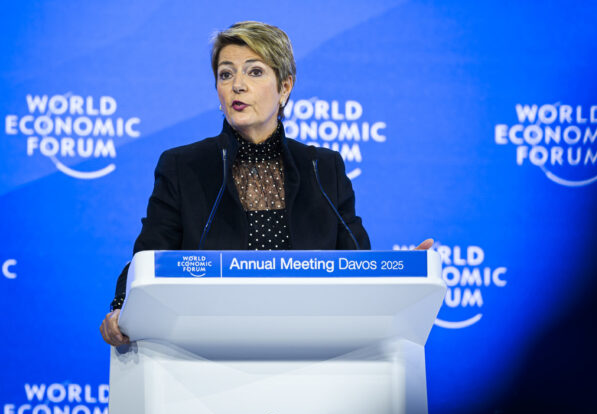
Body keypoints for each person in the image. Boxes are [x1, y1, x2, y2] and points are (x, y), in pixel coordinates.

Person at [100, 21, 431, 346]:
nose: (237, 85)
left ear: (285, 87)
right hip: (206, 350)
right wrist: (120, 310)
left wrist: (401, 281)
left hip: (311, 350)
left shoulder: (323, 168)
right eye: (226, 74)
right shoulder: (183, 166)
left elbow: (358, 265)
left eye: (254, 72)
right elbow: (148, 259)